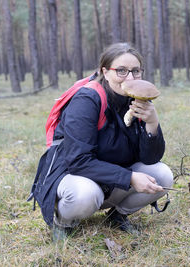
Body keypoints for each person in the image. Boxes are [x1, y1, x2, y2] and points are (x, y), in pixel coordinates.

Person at [31, 42, 173, 241]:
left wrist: (152, 123)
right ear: (105, 72)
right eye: (121, 71)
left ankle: (117, 217)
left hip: (109, 178)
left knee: (163, 175)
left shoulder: (138, 100)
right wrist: (130, 177)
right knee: (86, 195)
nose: (130, 78)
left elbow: (151, 159)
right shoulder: (87, 100)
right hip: (72, 177)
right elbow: (77, 161)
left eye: (136, 71)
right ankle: (63, 223)